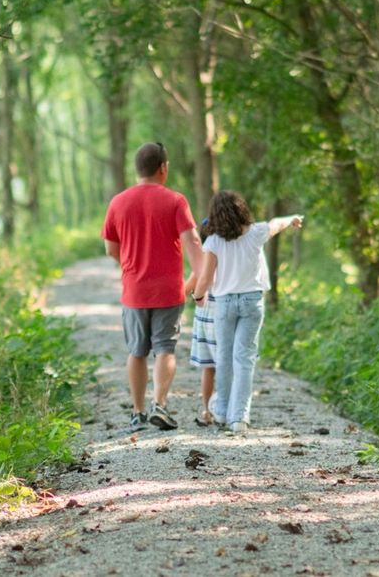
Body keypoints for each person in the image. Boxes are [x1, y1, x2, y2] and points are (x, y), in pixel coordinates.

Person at [102, 142, 204, 431]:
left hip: (134, 291)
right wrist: (200, 278)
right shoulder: (175, 201)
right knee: (165, 349)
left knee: (136, 351)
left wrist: (131, 265)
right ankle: (160, 405)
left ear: (137, 170)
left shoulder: (118, 202)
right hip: (169, 291)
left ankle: (138, 412)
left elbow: (111, 248)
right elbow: (193, 241)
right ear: (163, 168)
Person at [191, 191, 303, 434]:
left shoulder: (214, 242)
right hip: (252, 302)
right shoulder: (255, 232)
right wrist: (292, 218)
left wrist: (197, 296)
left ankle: (220, 410)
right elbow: (276, 224)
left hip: (225, 304)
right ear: (242, 210)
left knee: (224, 356)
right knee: (244, 359)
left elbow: (206, 277)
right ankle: (239, 418)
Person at [185, 218, 218, 427]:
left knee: (209, 367)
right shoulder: (227, 255)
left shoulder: (204, 257)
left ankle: (206, 410)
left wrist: (185, 295)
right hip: (223, 312)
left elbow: (193, 283)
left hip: (206, 313)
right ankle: (227, 408)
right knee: (227, 365)